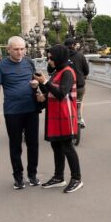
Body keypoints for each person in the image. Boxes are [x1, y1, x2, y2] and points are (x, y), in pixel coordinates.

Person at [33, 44, 83, 193]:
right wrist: (39, 87)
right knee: (56, 146)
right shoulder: (58, 71)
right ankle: (59, 177)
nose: (49, 60)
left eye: (51, 58)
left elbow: (61, 94)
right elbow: (52, 92)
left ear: (59, 57)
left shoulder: (68, 72)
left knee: (67, 147)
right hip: (55, 115)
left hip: (65, 115)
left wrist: (45, 82)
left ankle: (76, 178)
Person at [0, 36, 40, 189]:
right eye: (16, 49)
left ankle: (32, 175)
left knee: (33, 144)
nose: (20, 52)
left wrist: (36, 84)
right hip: (12, 112)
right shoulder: (1, 66)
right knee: (15, 145)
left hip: (31, 109)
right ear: (8, 50)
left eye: (22, 49)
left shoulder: (29, 62)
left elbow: (37, 80)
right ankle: (18, 177)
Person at [64, 38, 89, 128]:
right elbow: (86, 71)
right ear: (74, 45)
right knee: (80, 100)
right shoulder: (80, 55)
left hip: (65, 86)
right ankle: (80, 119)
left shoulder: (62, 56)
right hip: (79, 85)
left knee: (64, 103)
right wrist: (83, 76)